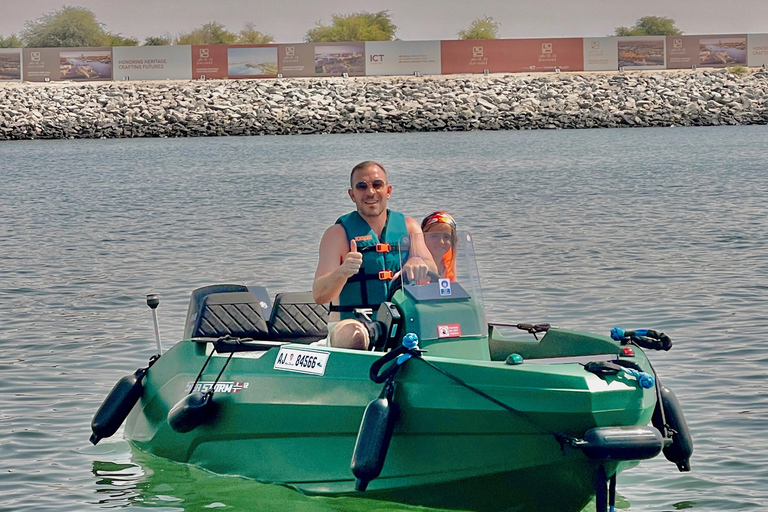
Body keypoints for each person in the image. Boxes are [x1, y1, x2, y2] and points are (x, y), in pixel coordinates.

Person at [313, 161, 436, 348]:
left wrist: (418, 260)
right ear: (352, 195)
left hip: (404, 319)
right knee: (353, 336)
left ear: (388, 191)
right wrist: (344, 271)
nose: (370, 192)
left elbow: (435, 270)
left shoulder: (409, 227)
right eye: (362, 186)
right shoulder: (336, 235)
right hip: (355, 322)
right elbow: (319, 294)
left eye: (377, 185)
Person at [421, 211, 457, 281]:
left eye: (446, 237)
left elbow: (454, 286)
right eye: (434, 236)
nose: (441, 241)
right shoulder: (416, 261)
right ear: (423, 237)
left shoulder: (449, 260)